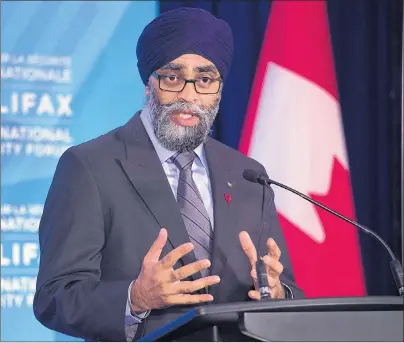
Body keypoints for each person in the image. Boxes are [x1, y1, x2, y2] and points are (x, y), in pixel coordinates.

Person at [33, 7, 304, 342]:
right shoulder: (90, 166)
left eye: (205, 80)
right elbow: (54, 298)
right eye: (173, 78)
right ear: (149, 84)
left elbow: (286, 287)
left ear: (218, 91)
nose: (188, 96)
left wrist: (277, 294)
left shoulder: (248, 174)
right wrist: (135, 297)